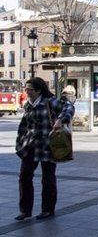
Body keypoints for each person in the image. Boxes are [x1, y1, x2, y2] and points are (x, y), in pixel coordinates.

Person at [15, 77, 75, 221]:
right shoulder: (28, 104)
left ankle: (48, 209)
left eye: (29, 89)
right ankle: (25, 210)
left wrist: (61, 120)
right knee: (24, 176)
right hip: (30, 146)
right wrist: (20, 142)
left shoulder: (50, 101)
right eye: (27, 89)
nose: (27, 91)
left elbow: (69, 107)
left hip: (48, 146)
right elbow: (24, 125)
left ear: (38, 90)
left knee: (48, 178)